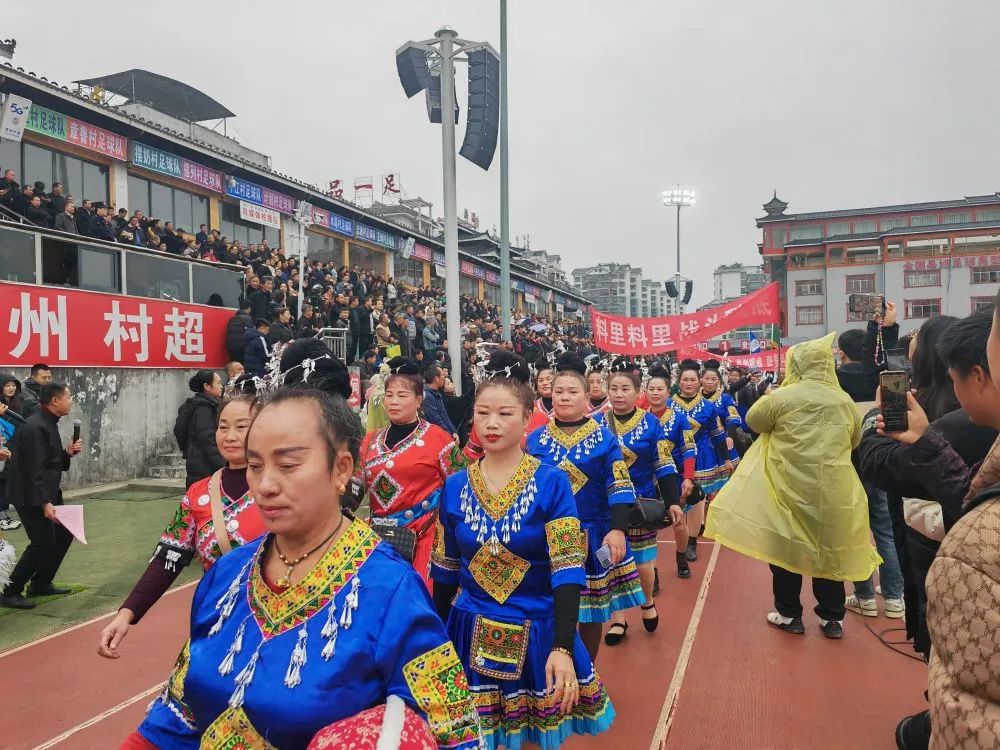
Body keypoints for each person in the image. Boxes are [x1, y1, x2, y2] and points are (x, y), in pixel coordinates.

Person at [122, 383, 481, 749]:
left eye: (288, 465)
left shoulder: (389, 589)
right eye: (256, 465)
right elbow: (175, 717)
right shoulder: (226, 575)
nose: (264, 485)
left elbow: (454, 732)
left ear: (341, 469)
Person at [432, 350, 614, 749]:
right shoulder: (455, 486)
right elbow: (445, 571)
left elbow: (567, 570)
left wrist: (564, 647)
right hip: (466, 630)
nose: (492, 424)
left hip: (537, 631)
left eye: (505, 413)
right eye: (482, 413)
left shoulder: (552, 484)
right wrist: (436, 640)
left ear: (529, 414)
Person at [705, 333, 880, 639]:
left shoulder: (781, 398)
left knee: (785, 549)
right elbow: (855, 439)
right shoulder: (843, 401)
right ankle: (831, 618)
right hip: (835, 491)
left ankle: (789, 614)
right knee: (830, 552)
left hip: (789, 489)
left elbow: (753, 422)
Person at [99, 388, 263, 659]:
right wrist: (126, 613)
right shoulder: (199, 494)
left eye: (242, 427)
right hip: (216, 622)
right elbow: (168, 559)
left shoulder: (281, 485)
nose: (230, 436)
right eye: (223, 426)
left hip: (276, 622)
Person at [525, 353, 643, 659]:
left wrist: (617, 530)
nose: (564, 397)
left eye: (572, 391)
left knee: (591, 612)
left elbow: (618, 486)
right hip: (543, 537)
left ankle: (588, 670)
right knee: (549, 608)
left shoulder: (605, 438)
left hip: (592, 534)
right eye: (559, 391)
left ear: (586, 396)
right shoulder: (535, 439)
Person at [597, 360, 684, 646]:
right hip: (605, 505)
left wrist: (673, 502)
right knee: (608, 563)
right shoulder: (596, 424)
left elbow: (664, 464)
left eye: (625, 389)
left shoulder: (650, 424)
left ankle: (647, 601)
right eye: (613, 389)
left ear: (638, 393)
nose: (618, 394)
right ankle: (618, 618)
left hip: (641, 505)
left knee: (644, 563)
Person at [358, 358, 464, 586]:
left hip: (425, 538)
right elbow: (354, 488)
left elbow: (462, 486)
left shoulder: (438, 438)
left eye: (402, 395)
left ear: (418, 400)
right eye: (389, 395)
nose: (393, 401)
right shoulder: (370, 440)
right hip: (379, 536)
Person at [0, 383, 83, 609]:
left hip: (46, 491)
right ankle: (10, 590)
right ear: (54, 400)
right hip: (31, 494)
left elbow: (51, 462)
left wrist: (66, 453)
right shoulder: (35, 427)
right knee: (42, 542)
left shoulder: (48, 423)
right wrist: (45, 502)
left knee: (63, 535)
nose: (71, 401)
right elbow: (33, 470)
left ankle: (40, 583)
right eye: (68, 397)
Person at [670, 360, 731, 563]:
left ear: (699, 383)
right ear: (678, 382)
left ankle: (692, 542)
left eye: (692, 380)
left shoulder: (708, 407)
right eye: (685, 379)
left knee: (696, 502)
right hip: (673, 459)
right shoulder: (668, 404)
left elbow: (717, 435)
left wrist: (726, 459)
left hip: (702, 459)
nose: (688, 383)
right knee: (676, 502)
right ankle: (680, 540)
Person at [645, 364, 698, 579]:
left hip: (672, 478)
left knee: (678, 523)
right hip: (646, 480)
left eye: (660, 389)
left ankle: (681, 555)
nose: (655, 393)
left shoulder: (679, 419)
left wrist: (687, 478)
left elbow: (688, 450)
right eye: (651, 389)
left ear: (669, 392)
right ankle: (652, 571)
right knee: (648, 528)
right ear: (645, 392)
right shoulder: (640, 419)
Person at [173, 371, 225, 488]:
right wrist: (224, 466)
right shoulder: (204, 409)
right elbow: (208, 440)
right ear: (207, 386)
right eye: (218, 383)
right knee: (202, 500)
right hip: (205, 466)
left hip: (197, 461)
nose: (221, 386)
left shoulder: (198, 405)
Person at [0, 374, 23, 531]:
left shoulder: (16, 406)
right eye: (7, 385)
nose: (11, 388)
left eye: (13, 385)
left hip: (10, 451)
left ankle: (4, 515)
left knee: (6, 482)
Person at [422, 363, 457, 435]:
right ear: (436, 378)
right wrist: (449, 435)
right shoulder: (427, 396)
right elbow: (436, 419)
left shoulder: (436, 393)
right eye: (442, 374)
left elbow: (445, 415)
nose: (444, 377)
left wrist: (453, 432)